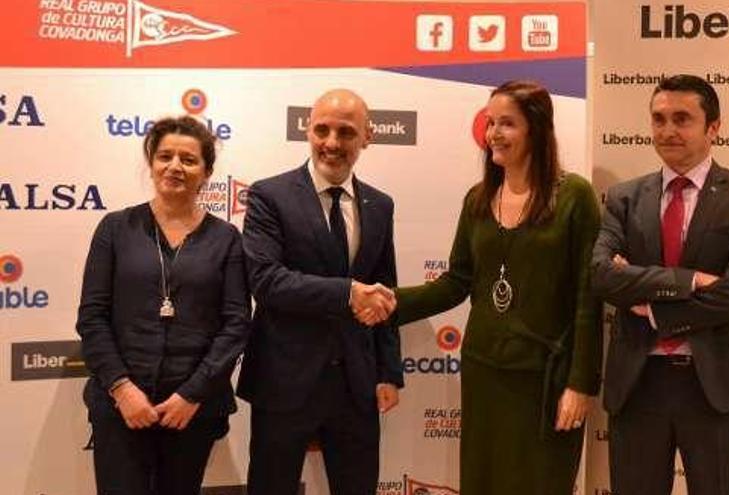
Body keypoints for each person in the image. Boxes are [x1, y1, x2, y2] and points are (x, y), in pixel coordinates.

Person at [381, 80, 603, 494]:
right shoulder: (478, 199)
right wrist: (389, 304)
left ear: (536, 129)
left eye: (507, 124)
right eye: (490, 123)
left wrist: (581, 383)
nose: (494, 134)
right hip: (485, 372)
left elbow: (587, 298)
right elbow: (456, 282)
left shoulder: (574, 196)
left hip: (546, 381)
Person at [592, 74, 729, 495]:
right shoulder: (624, 197)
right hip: (639, 385)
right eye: (658, 119)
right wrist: (689, 281)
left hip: (718, 386)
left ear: (713, 128)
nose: (667, 130)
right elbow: (602, 276)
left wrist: (654, 306)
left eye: (682, 119)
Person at [237, 88, 404, 495]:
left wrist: (387, 372)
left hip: (356, 384)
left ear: (367, 137)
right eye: (321, 130)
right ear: (307, 131)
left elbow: (385, 292)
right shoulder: (268, 195)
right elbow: (266, 281)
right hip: (284, 381)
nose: (331, 143)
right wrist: (347, 293)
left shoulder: (380, 205)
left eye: (345, 132)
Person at [76, 115, 252, 495]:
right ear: (152, 163)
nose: (175, 166)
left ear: (206, 172)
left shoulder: (226, 239)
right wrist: (122, 389)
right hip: (120, 407)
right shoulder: (115, 228)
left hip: (192, 411)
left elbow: (236, 323)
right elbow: (92, 318)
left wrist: (192, 394)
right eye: (165, 156)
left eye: (188, 159)